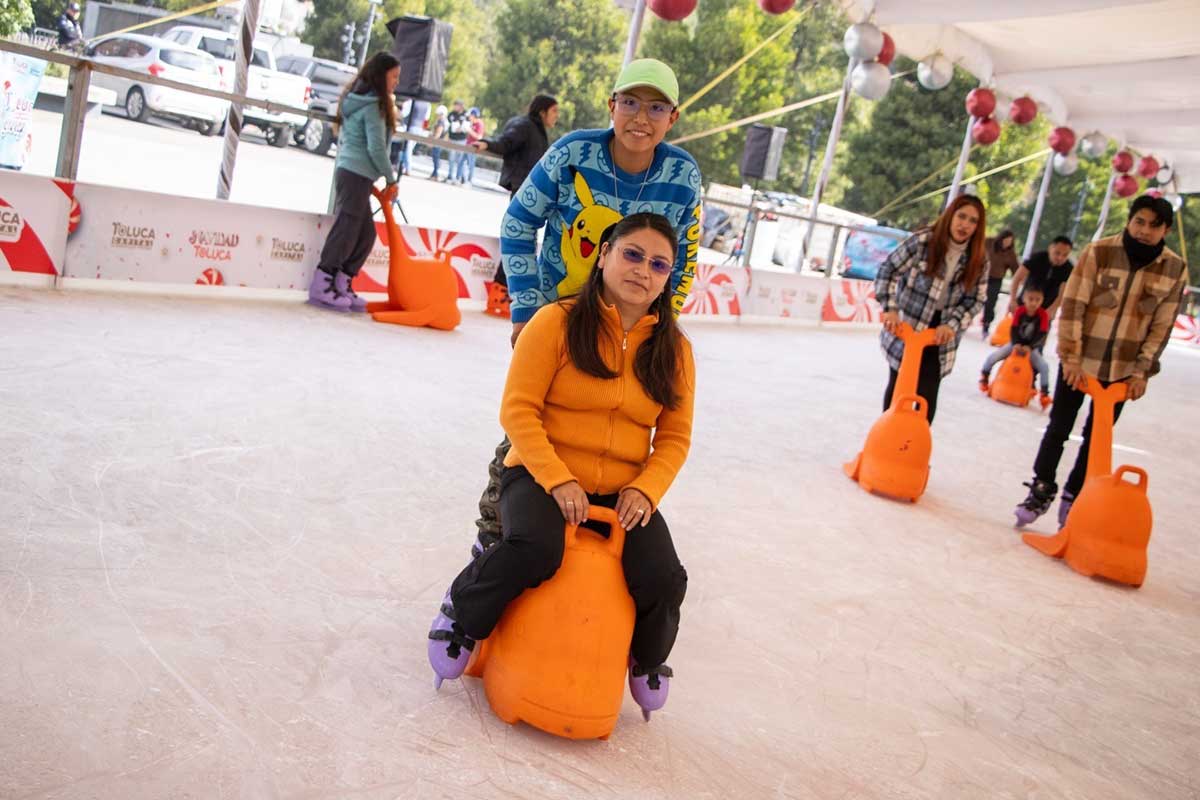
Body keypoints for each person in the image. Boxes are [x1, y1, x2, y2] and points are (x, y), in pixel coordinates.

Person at [459, 57, 701, 616]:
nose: (642, 117)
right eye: (632, 103)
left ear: (673, 117)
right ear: (612, 105)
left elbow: (683, 257)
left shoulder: (682, 175)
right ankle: (493, 537)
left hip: (634, 326)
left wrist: (660, 324)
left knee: (616, 422)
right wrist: (527, 309)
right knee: (530, 427)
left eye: (657, 107)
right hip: (561, 320)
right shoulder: (574, 154)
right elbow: (519, 223)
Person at [428, 213, 695, 716]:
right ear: (604, 254)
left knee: (664, 574)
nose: (643, 270)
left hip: (622, 489)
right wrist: (556, 478)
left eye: (659, 264)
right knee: (534, 547)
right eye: (632, 254)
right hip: (539, 469)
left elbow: (675, 438)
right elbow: (518, 410)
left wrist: (646, 490)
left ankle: (646, 658)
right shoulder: (557, 321)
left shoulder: (675, 351)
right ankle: (463, 613)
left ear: (668, 279)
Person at [1014, 196, 1188, 527]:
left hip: (1122, 372)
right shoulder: (1100, 252)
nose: (1144, 231)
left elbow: (1161, 326)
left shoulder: (1174, 268)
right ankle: (1041, 487)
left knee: (1096, 437)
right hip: (1081, 361)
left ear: (1165, 230)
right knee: (1059, 428)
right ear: (1129, 220)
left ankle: (1075, 497)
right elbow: (1074, 306)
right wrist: (1071, 358)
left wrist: (1141, 372)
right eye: (1139, 221)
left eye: (1153, 226)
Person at [875, 194, 988, 424]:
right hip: (909, 327)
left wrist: (952, 325)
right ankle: (885, 446)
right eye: (961, 216)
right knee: (898, 390)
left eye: (972, 221)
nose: (965, 225)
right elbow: (888, 270)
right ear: (950, 216)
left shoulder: (979, 260)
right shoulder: (923, 242)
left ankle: (914, 450)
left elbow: (976, 300)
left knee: (927, 397)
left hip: (940, 335)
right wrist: (890, 308)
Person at [307, 52, 399, 312]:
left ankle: (342, 281)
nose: (396, 82)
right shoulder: (372, 106)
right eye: (394, 76)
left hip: (357, 173)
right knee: (348, 228)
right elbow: (376, 147)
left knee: (365, 232)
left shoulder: (362, 101)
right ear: (381, 76)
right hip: (355, 172)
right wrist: (391, 179)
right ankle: (323, 282)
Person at [979, 282, 1052, 408]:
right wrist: (1017, 343)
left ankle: (1044, 393)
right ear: (1024, 298)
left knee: (1044, 366)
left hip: (1031, 348)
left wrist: (1031, 347)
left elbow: (1042, 334)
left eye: (1037, 300)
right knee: (994, 357)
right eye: (1031, 299)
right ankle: (984, 377)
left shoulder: (1043, 315)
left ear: (1042, 300)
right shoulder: (1020, 311)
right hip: (1015, 344)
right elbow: (1014, 329)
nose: (1033, 303)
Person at [474, 94, 559, 199]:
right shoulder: (524, 126)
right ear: (542, 112)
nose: (557, 115)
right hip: (523, 187)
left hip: (530, 186)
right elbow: (506, 143)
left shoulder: (537, 130)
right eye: (554, 111)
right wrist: (487, 144)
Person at [1008, 235, 1074, 328]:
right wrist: (1013, 300)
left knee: (1038, 339)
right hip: (1024, 304)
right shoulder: (1037, 257)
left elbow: (1063, 293)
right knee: (1016, 336)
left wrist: (1053, 308)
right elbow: (1017, 278)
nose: (1060, 257)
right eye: (1057, 253)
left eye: (1065, 255)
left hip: (1046, 310)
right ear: (1050, 248)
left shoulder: (1068, 268)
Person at [981, 229, 1018, 337]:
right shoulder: (989, 242)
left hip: (996, 279)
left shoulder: (1010, 253)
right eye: (1005, 241)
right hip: (981, 275)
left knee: (990, 302)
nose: (1006, 244)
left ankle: (986, 324)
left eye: (1009, 242)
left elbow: (1015, 269)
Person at [446, 100, 471, 184]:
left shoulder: (466, 114)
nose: (454, 107)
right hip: (453, 138)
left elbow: (468, 126)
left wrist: (461, 128)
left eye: (456, 105)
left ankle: (459, 177)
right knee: (451, 159)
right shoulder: (452, 114)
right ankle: (450, 176)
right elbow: (449, 124)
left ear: (460, 106)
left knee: (460, 160)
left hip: (461, 139)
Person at [464, 107, 484, 185]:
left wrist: (469, 130)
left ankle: (469, 181)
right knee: (461, 163)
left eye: (470, 115)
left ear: (474, 115)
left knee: (470, 164)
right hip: (467, 146)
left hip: (473, 147)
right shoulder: (472, 123)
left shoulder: (479, 124)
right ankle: (462, 179)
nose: (469, 117)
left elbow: (479, 137)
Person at [428, 104, 448, 181]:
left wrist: (433, 142)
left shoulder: (441, 122)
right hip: (438, 142)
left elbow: (438, 133)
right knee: (435, 159)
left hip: (437, 142)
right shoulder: (442, 121)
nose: (438, 115)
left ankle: (435, 175)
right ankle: (434, 174)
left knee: (436, 159)